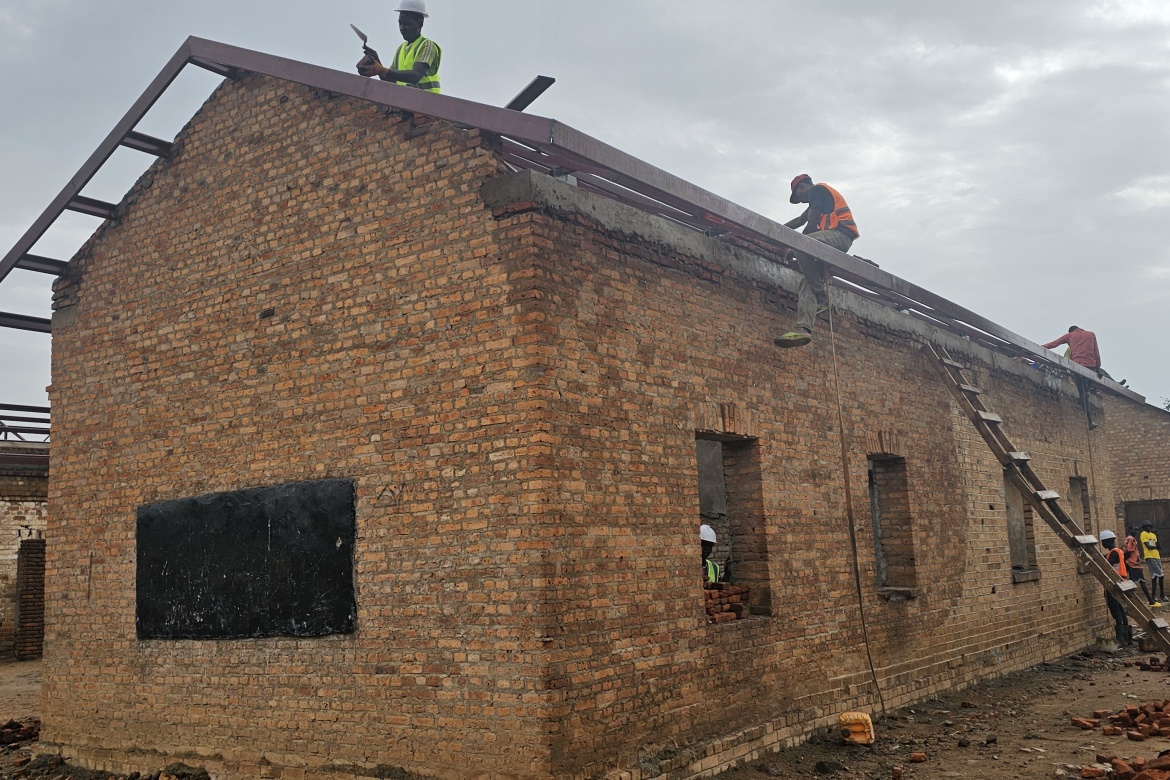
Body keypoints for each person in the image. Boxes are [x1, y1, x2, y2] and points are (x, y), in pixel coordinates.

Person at [773, 174, 859, 349]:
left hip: (840, 237)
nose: (803, 202)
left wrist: (794, 246)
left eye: (800, 197)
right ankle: (803, 329)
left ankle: (821, 296)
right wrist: (776, 231)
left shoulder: (818, 190)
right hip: (829, 243)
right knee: (807, 280)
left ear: (802, 187)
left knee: (800, 242)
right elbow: (799, 221)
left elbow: (811, 224)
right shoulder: (818, 198)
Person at [356, 0, 442, 94]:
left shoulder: (427, 46)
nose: (402, 28)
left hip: (429, 104)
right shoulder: (400, 49)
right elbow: (391, 81)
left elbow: (415, 76)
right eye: (400, 23)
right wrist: (377, 62)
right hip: (407, 102)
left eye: (407, 24)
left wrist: (381, 70)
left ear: (420, 23)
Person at [1099, 530, 1133, 646]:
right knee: (1121, 609)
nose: (1102, 545)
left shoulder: (1114, 553)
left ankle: (1121, 639)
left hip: (1115, 583)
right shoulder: (1118, 551)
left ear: (1107, 541)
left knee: (1116, 610)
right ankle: (1128, 639)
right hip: (1122, 581)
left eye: (1103, 542)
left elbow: (1106, 564)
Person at [1042, 326, 1113, 380]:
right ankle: (1087, 392)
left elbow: (1054, 344)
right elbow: (1097, 355)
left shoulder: (1069, 336)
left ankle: (1083, 394)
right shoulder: (1091, 335)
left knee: (1079, 380)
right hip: (1091, 364)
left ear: (1071, 332)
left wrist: (1040, 347)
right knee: (1089, 381)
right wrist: (1098, 369)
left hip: (1077, 364)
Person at [1125, 528, 1159, 607]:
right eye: (1134, 530)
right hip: (1134, 564)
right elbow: (1128, 551)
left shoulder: (1130, 539)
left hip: (1132, 563)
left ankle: (1131, 602)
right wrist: (1130, 560)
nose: (1136, 531)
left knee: (1132, 582)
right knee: (1141, 581)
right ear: (1131, 530)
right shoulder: (1131, 539)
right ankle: (1150, 601)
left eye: (1137, 530)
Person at [1141, 522, 1166, 603]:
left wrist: (1157, 536)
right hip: (1150, 557)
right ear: (1144, 527)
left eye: (1149, 526)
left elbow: (1159, 547)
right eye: (1146, 526)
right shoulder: (1143, 534)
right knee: (1161, 575)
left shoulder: (1153, 535)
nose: (1148, 528)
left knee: (1154, 577)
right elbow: (1148, 546)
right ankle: (1162, 595)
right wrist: (1155, 546)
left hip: (1157, 556)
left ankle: (1153, 596)